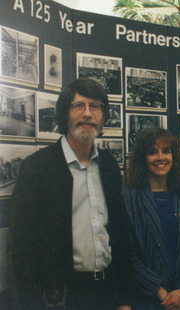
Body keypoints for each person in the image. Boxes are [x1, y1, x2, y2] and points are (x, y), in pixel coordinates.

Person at [8, 78, 132, 309]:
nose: (87, 114)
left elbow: (120, 236)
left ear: (103, 116)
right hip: (62, 298)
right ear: (65, 113)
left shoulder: (108, 165)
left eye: (95, 106)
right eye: (79, 106)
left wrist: (124, 299)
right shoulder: (37, 167)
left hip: (107, 293)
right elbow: (22, 249)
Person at [123, 128, 180, 310]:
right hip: (146, 299)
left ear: (174, 156)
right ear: (142, 159)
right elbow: (127, 255)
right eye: (152, 152)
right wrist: (158, 290)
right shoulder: (128, 199)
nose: (160, 157)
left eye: (166, 151)